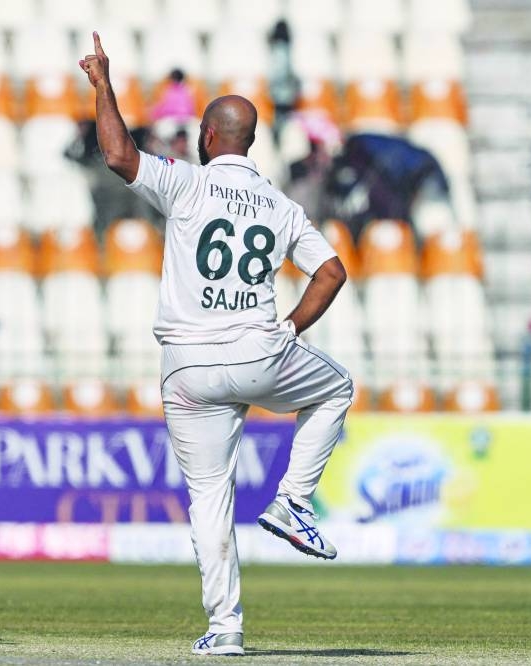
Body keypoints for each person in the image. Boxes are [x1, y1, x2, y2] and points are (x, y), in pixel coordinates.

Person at [80, 34, 353, 656]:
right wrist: (290, 328)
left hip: (187, 366)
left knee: (210, 498)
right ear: (249, 142)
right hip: (260, 352)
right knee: (336, 388)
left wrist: (102, 85)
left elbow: (120, 155)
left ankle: (225, 629)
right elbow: (332, 271)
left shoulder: (186, 183)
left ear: (207, 137)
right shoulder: (281, 207)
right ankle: (292, 502)